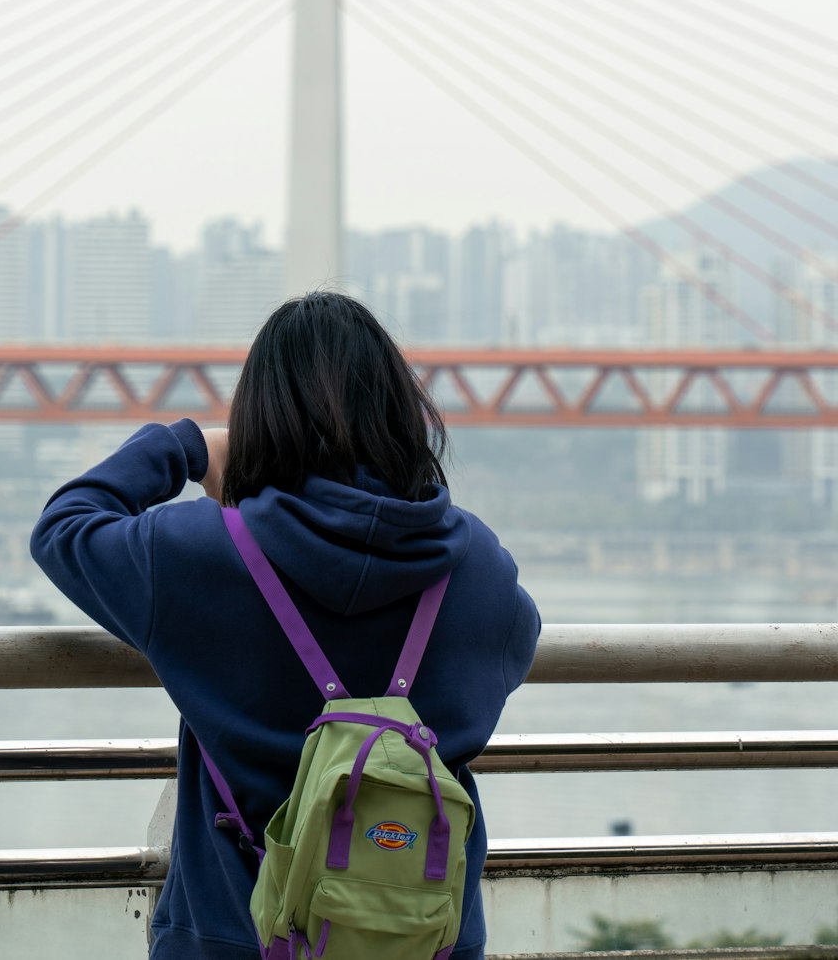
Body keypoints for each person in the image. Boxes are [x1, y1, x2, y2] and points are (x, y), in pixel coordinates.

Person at [30, 292, 540, 960]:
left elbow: (65, 526)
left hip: (232, 939)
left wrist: (187, 444)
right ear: (401, 412)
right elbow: (516, 646)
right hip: (427, 943)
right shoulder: (478, 567)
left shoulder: (194, 554)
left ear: (261, 415)